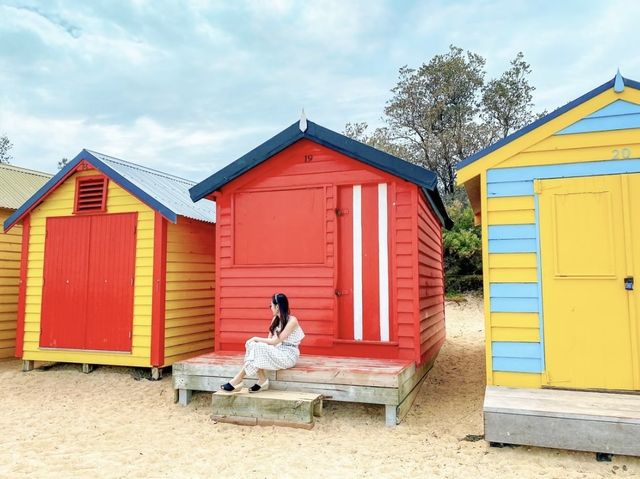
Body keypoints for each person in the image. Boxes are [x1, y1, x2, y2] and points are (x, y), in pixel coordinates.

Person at [220, 292, 305, 393]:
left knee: (257, 346)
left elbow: (275, 341)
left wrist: (256, 338)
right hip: (277, 350)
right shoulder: (275, 319)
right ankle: (261, 380)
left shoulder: (292, 320)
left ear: (277, 306)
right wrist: (255, 342)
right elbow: (268, 341)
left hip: (288, 354)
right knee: (254, 346)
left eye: (271, 306)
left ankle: (237, 380)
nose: (270, 308)